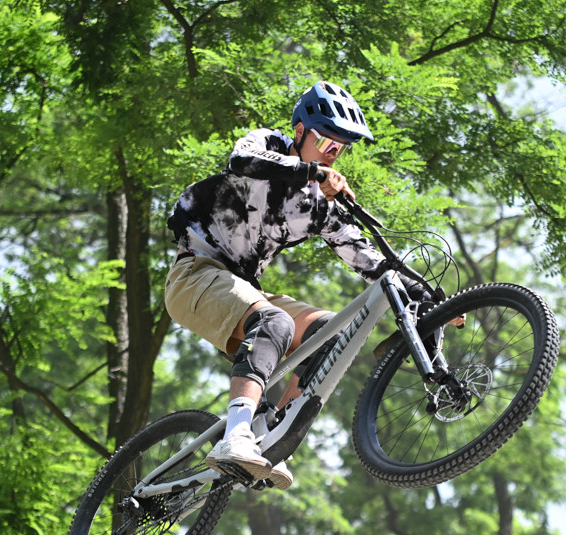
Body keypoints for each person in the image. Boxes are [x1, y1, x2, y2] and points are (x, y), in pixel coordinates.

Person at [166, 81, 418, 490]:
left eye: (340, 149)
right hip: (196, 274)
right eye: (326, 143)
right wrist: (313, 171)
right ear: (300, 132)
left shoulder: (318, 207)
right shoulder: (268, 145)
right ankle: (236, 435)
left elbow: (369, 261)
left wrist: (428, 299)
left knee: (334, 336)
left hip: (244, 288)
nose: (331, 154)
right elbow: (241, 160)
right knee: (275, 322)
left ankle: (270, 436)